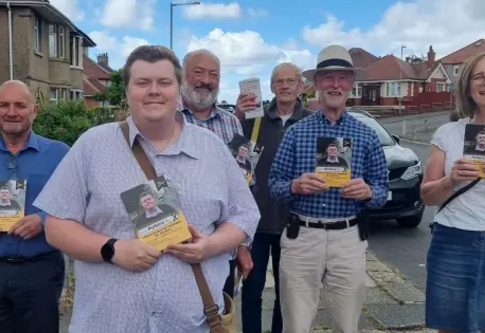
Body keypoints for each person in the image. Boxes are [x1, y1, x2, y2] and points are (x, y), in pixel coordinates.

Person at [33, 45, 260, 333]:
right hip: (109, 324)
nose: (154, 90)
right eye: (142, 82)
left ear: (178, 89)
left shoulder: (212, 149)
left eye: (164, 82)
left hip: (191, 325)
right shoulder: (92, 146)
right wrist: (112, 249)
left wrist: (210, 246)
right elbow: (56, 226)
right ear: (127, 91)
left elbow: (244, 215)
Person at [268, 45, 389, 333]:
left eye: (342, 77)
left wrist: (369, 193)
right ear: (318, 83)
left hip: (348, 239)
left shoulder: (367, 135)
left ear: (350, 83)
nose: (335, 84)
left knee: (347, 326)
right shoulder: (296, 133)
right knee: (295, 326)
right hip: (302, 238)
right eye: (328, 78)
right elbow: (274, 185)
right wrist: (295, 186)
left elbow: (384, 191)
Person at [420, 51, 485, 333]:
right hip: (452, 237)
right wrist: (449, 180)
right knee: (450, 326)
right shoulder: (448, 132)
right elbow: (427, 195)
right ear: (468, 87)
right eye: (479, 76)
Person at [235, 61, 312, 333]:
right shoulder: (254, 120)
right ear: (271, 86)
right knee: (251, 290)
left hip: (294, 223)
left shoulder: (311, 122)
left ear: (301, 86)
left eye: (292, 81)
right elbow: (233, 159)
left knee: (286, 294)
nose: (285, 86)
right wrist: (238, 115)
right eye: (280, 81)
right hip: (255, 221)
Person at [179, 48, 254, 298]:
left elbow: (239, 189)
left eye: (214, 75)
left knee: (217, 318)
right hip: (171, 244)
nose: (206, 80)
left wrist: (241, 245)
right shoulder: (166, 117)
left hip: (220, 248)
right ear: (181, 75)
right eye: (198, 72)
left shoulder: (232, 122)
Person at [0, 80, 70, 333]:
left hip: (40, 269)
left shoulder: (59, 154)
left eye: (20, 105)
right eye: (4, 105)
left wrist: (43, 219)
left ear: (34, 110)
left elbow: (79, 203)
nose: (11, 112)